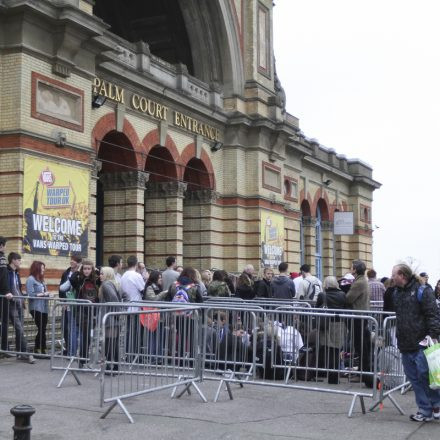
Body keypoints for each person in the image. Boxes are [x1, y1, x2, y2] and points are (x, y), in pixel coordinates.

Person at [391, 263, 440, 422]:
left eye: (394, 275)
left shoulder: (422, 291)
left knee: (426, 376)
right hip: (406, 344)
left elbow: (432, 315)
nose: (392, 278)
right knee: (415, 379)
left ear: (402, 275)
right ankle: (426, 410)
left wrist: (431, 336)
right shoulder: (396, 293)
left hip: (422, 343)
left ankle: (436, 405)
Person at [345, 259, 373, 387]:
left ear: (355, 269)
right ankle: (364, 374)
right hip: (362, 316)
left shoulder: (359, 282)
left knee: (361, 346)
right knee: (362, 346)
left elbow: (349, 298)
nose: (350, 269)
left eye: (351, 267)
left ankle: (364, 375)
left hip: (358, 317)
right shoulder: (363, 280)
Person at [69, 260, 99, 364]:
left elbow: (101, 280)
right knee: (85, 335)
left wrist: (96, 271)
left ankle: (84, 357)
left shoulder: (95, 280)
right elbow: (71, 279)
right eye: (85, 269)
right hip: (81, 311)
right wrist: (78, 269)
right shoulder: (79, 280)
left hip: (93, 312)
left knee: (88, 336)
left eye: (89, 269)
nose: (86, 271)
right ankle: (83, 358)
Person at [7, 252, 35, 363]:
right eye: (19, 260)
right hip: (10, 304)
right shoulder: (6, 271)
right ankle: (27, 354)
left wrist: (22, 298)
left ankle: (20, 353)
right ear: (13, 260)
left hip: (19, 303)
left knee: (20, 328)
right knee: (19, 328)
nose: (20, 262)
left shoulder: (16, 273)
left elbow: (17, 287)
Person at [98, 266, 123, 374]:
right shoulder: (115, 283)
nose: (100, 275)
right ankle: (114, 366)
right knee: (113, 343)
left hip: (110, 318)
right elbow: (124, 296)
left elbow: (113, 298)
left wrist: (116, 313)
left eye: (102, 273)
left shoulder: (106, 284)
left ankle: (110, 366)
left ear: (107, 274)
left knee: (109, 343)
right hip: (113, 318)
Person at [120, 255, 145, 358]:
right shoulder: (136, 275)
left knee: (129, 331)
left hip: (126, 306)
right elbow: (143, 289)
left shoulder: (123, 275)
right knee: (135, 332)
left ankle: (128, 353)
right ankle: (133, 355)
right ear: (136, 264)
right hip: (136, 307)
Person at [58, 254, 82, 355]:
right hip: (67, 303)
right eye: (71, 260)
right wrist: (63, 301)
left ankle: (76, 350)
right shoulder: (66, 273)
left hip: (78, 304)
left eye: (74, 260)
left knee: (76, 328)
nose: (71, 262)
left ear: (79, 263)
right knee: (66, 327)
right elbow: (61, 288)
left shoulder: (81, 273)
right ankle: (69, 348)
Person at [26, 261, 50, 356]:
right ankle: (38, 348)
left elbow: (45, 292)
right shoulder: (31, 279)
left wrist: (48, 295)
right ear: (37, 268)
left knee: (43, 328)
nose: (43, 270)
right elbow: (30, 294)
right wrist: (43, 294)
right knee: (41, 327)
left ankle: (42, 348)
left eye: (44, 268)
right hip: (35, 307)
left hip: (44, 307)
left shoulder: (42, 281)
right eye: (42, 268)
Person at [0, 236, 11, 355]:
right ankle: (4, 348)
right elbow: (2, 277)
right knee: (4, 321)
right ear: (1, 246)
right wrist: (6, 291)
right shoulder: (2, 258)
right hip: (2, 295)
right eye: (5, 245)